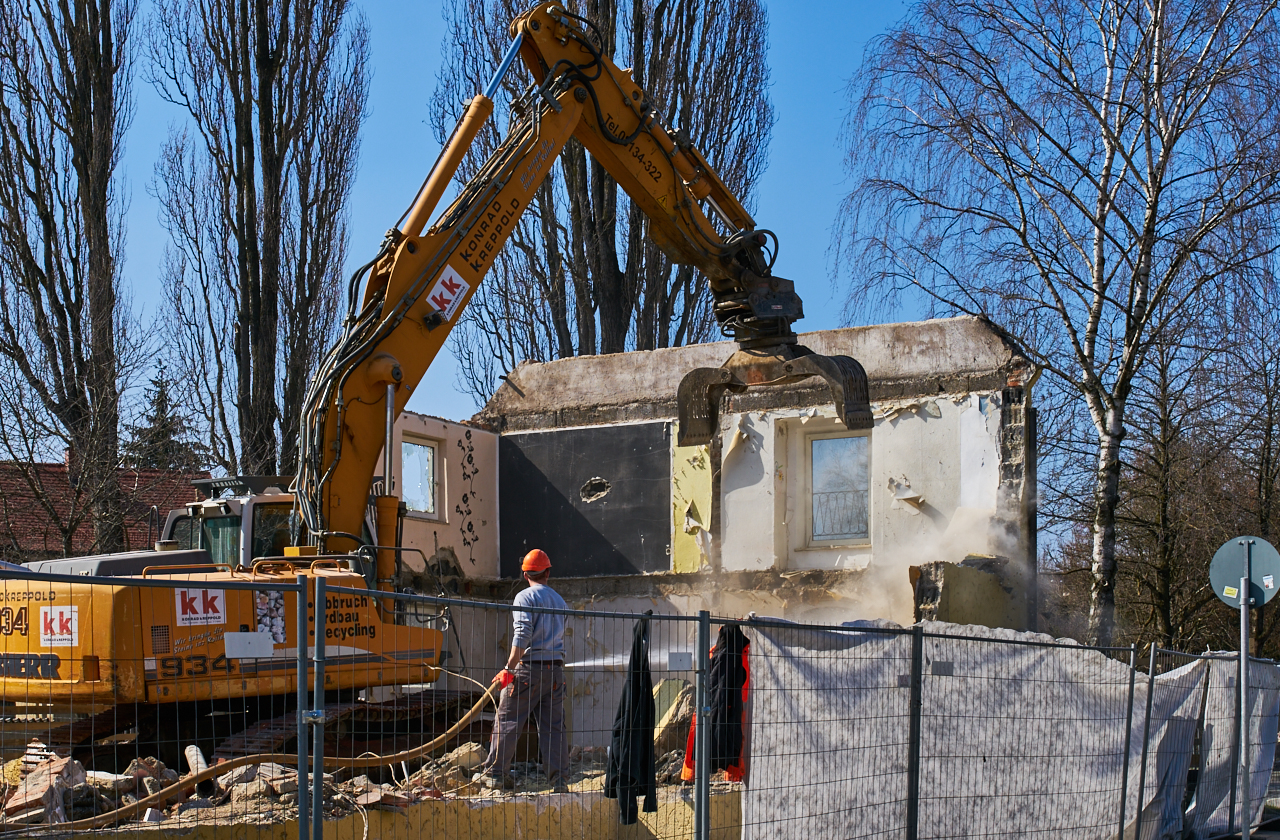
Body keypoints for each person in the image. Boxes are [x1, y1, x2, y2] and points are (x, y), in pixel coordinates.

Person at [478, 548, 570, 791]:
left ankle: (496, 775)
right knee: (554, 728)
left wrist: (508, 668)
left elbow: (522, 634)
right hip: (555, 671)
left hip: (529, 670)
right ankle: (559, 781)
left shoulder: (524, 598)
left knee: (508, 719)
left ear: (525, 574)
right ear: (547, 573)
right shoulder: (560, 601)